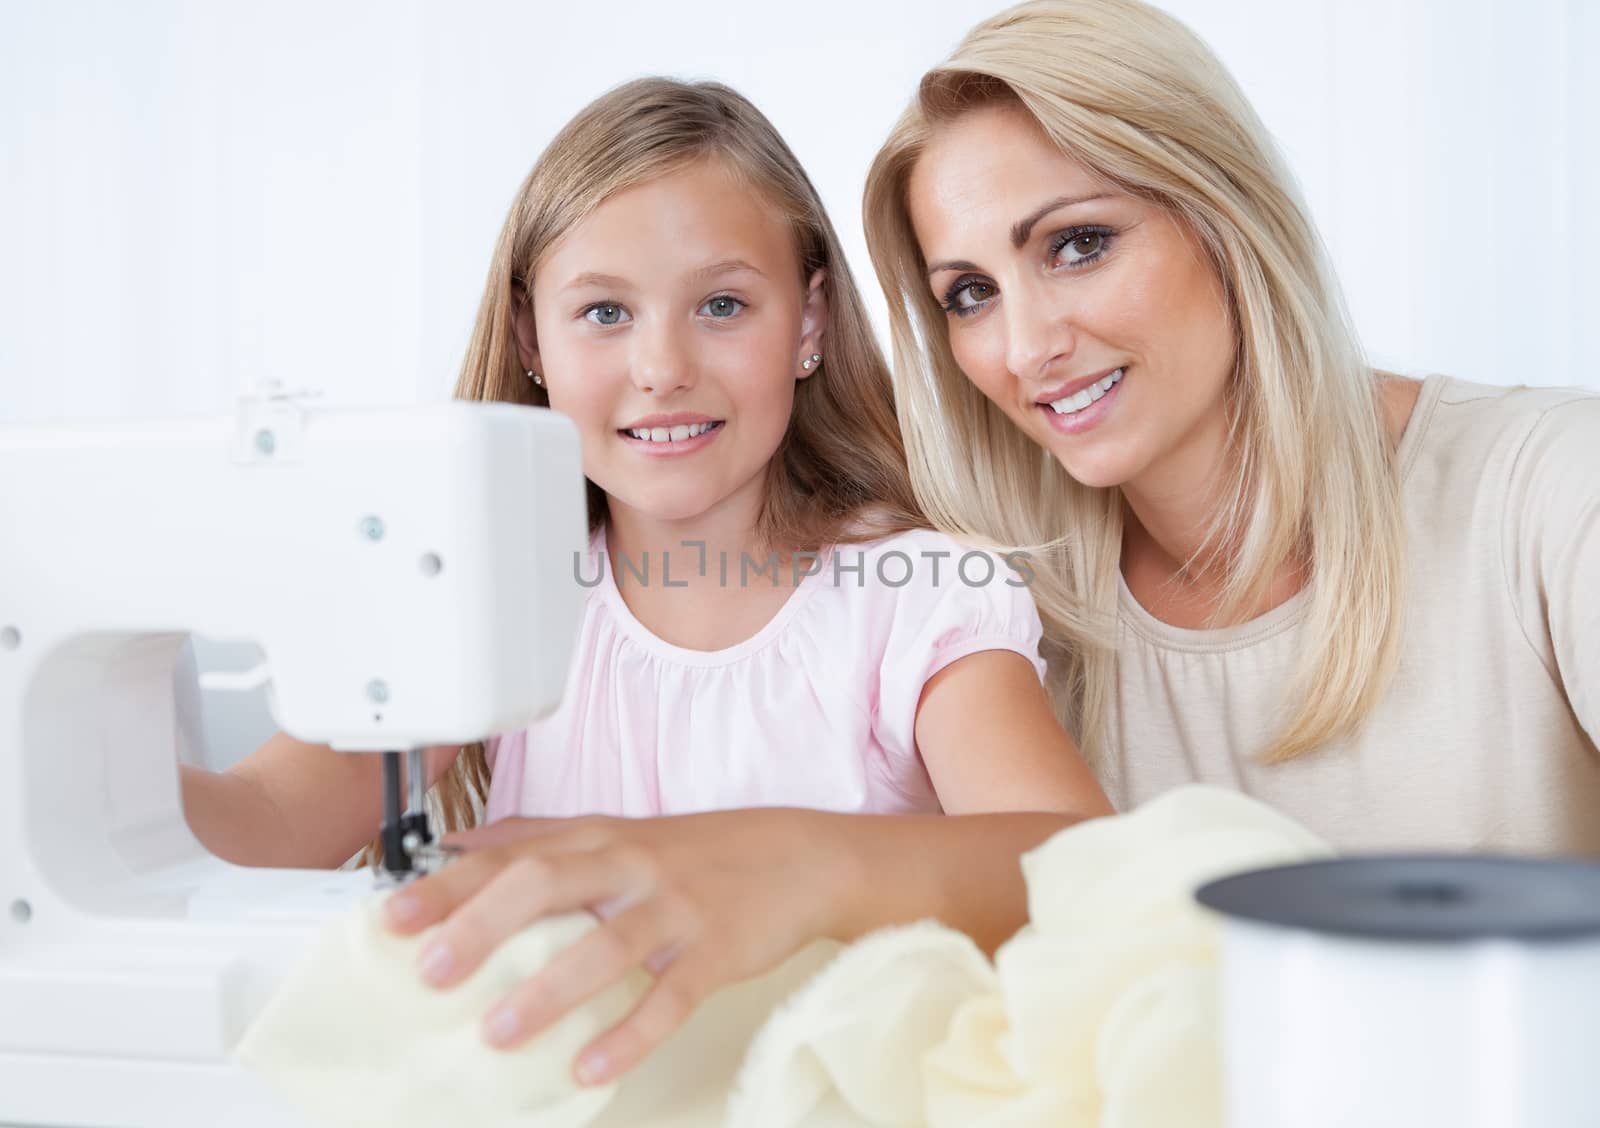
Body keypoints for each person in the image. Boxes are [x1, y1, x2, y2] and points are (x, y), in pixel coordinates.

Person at [182, 76, 1111, 1083]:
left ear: (808, 322)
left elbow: (1081, 870)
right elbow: (266, 824)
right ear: (532, 337)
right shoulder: (486, 600)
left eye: (720, 304)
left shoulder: (915, 599)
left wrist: (793, 862)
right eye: (604, 313)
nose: (661, 366)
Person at [860, 0, 1599, 853]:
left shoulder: (1550, 497)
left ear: (1225, 215)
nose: (1026, 350)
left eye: (1078, 244)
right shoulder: (999, 631)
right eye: (971, 294)